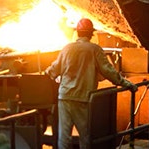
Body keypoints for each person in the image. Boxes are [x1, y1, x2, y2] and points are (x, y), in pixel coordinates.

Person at [44, 18, 138, 149]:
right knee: (85, 136)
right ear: (90, 34)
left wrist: (46, 72)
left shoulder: (67, 48)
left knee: (64, 137)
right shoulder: (94, 49)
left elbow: (53, 70)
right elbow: (108, 71)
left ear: (78, 33)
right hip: (82, 98)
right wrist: (126, 84)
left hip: (64, 97)